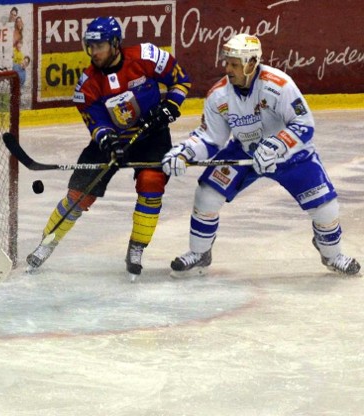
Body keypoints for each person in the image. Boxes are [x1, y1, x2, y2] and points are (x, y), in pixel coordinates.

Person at [162, 33, 360, 277]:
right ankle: (200, 252)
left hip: (291, 155)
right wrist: (185, 152)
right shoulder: (218, 96)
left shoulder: (279, 85)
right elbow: (210, 138)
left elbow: (304, 124)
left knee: (325, 209)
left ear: (252, 63)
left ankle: (332, 255)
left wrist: (276, 145)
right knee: (207, 195)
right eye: (226, 62)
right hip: (245, 151)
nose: (228, 69)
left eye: (234, 64)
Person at [26, 16, 191, 278]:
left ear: (115, 44)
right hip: (113, 141)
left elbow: (181, 79)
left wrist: (170, 106)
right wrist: (109, 141)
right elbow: (97, 123)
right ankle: (47, 243)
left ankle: (136, 247)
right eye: (90, 46)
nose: (93, 52)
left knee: (152, 183)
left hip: (152, 135)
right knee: (80, 193)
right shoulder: (87, 84)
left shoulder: (146, 56)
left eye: (99, 46)